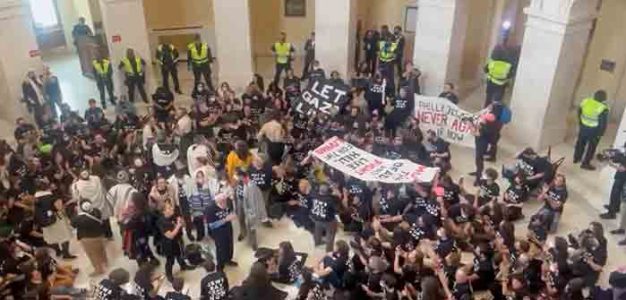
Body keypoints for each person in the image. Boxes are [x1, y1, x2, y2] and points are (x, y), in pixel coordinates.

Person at [71, 169, 113, 238]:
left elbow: (76, 197)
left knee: (94, 226)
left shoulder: (77, 185)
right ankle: (108, 235)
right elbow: (103, 190)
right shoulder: (96, 179)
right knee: (105, 222)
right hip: (102, 206)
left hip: (89, 210)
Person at [71, 200, 108, 276]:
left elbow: (73, 224)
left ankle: (99, 270)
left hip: (87, 239)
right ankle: (105, 262)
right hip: (99, 235)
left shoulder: (79, 218)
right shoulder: (97, 211)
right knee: (101, 250)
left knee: (92, 255)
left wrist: (76, 213)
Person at [158, 202, 195, 282]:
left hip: (178, 240)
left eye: (171, 206)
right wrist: (178, 225)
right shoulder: (162, 222)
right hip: (168, 244)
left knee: (179, 255)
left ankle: (183, 266)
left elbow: (184, 225)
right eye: (169, 208)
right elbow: (170, 236)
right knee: (170, 260)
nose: (172, 208)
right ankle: (169, 274)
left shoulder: (174, 215)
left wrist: (182, 222)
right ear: (163, 211)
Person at [573, 90, 609, 170]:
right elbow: (602, 123)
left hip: (583, 127)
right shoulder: (603, 108)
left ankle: (576, 158)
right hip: (594, 130)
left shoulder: (586, 101)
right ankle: (585, 164)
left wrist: (581, 121)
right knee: (591, 147)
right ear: (604, 99)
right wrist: (601, 133)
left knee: (580, 143)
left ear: (594, 95)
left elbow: (579, 111)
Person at [207, 193, 237, 270]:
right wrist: (225, 220)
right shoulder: (210, 208)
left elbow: (231, 212)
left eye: (225, 200)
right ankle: (220, 266)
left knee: (229, 245)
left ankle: (228, 260)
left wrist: (232, 215)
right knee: (221, 248)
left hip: (228, 228)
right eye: (222, 201)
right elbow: (211, 225)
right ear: (217, 200)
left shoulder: (228, 203)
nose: (224, 203)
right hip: (218, 232)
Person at [310, 183, 339, 253]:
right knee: (330, 235)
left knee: (317, 231)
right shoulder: (330, 200)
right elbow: (336, 211)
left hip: (316, 218)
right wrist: (336, 195)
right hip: (328, 221)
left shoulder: (314, 195)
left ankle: (317, 242)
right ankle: (329, 251)